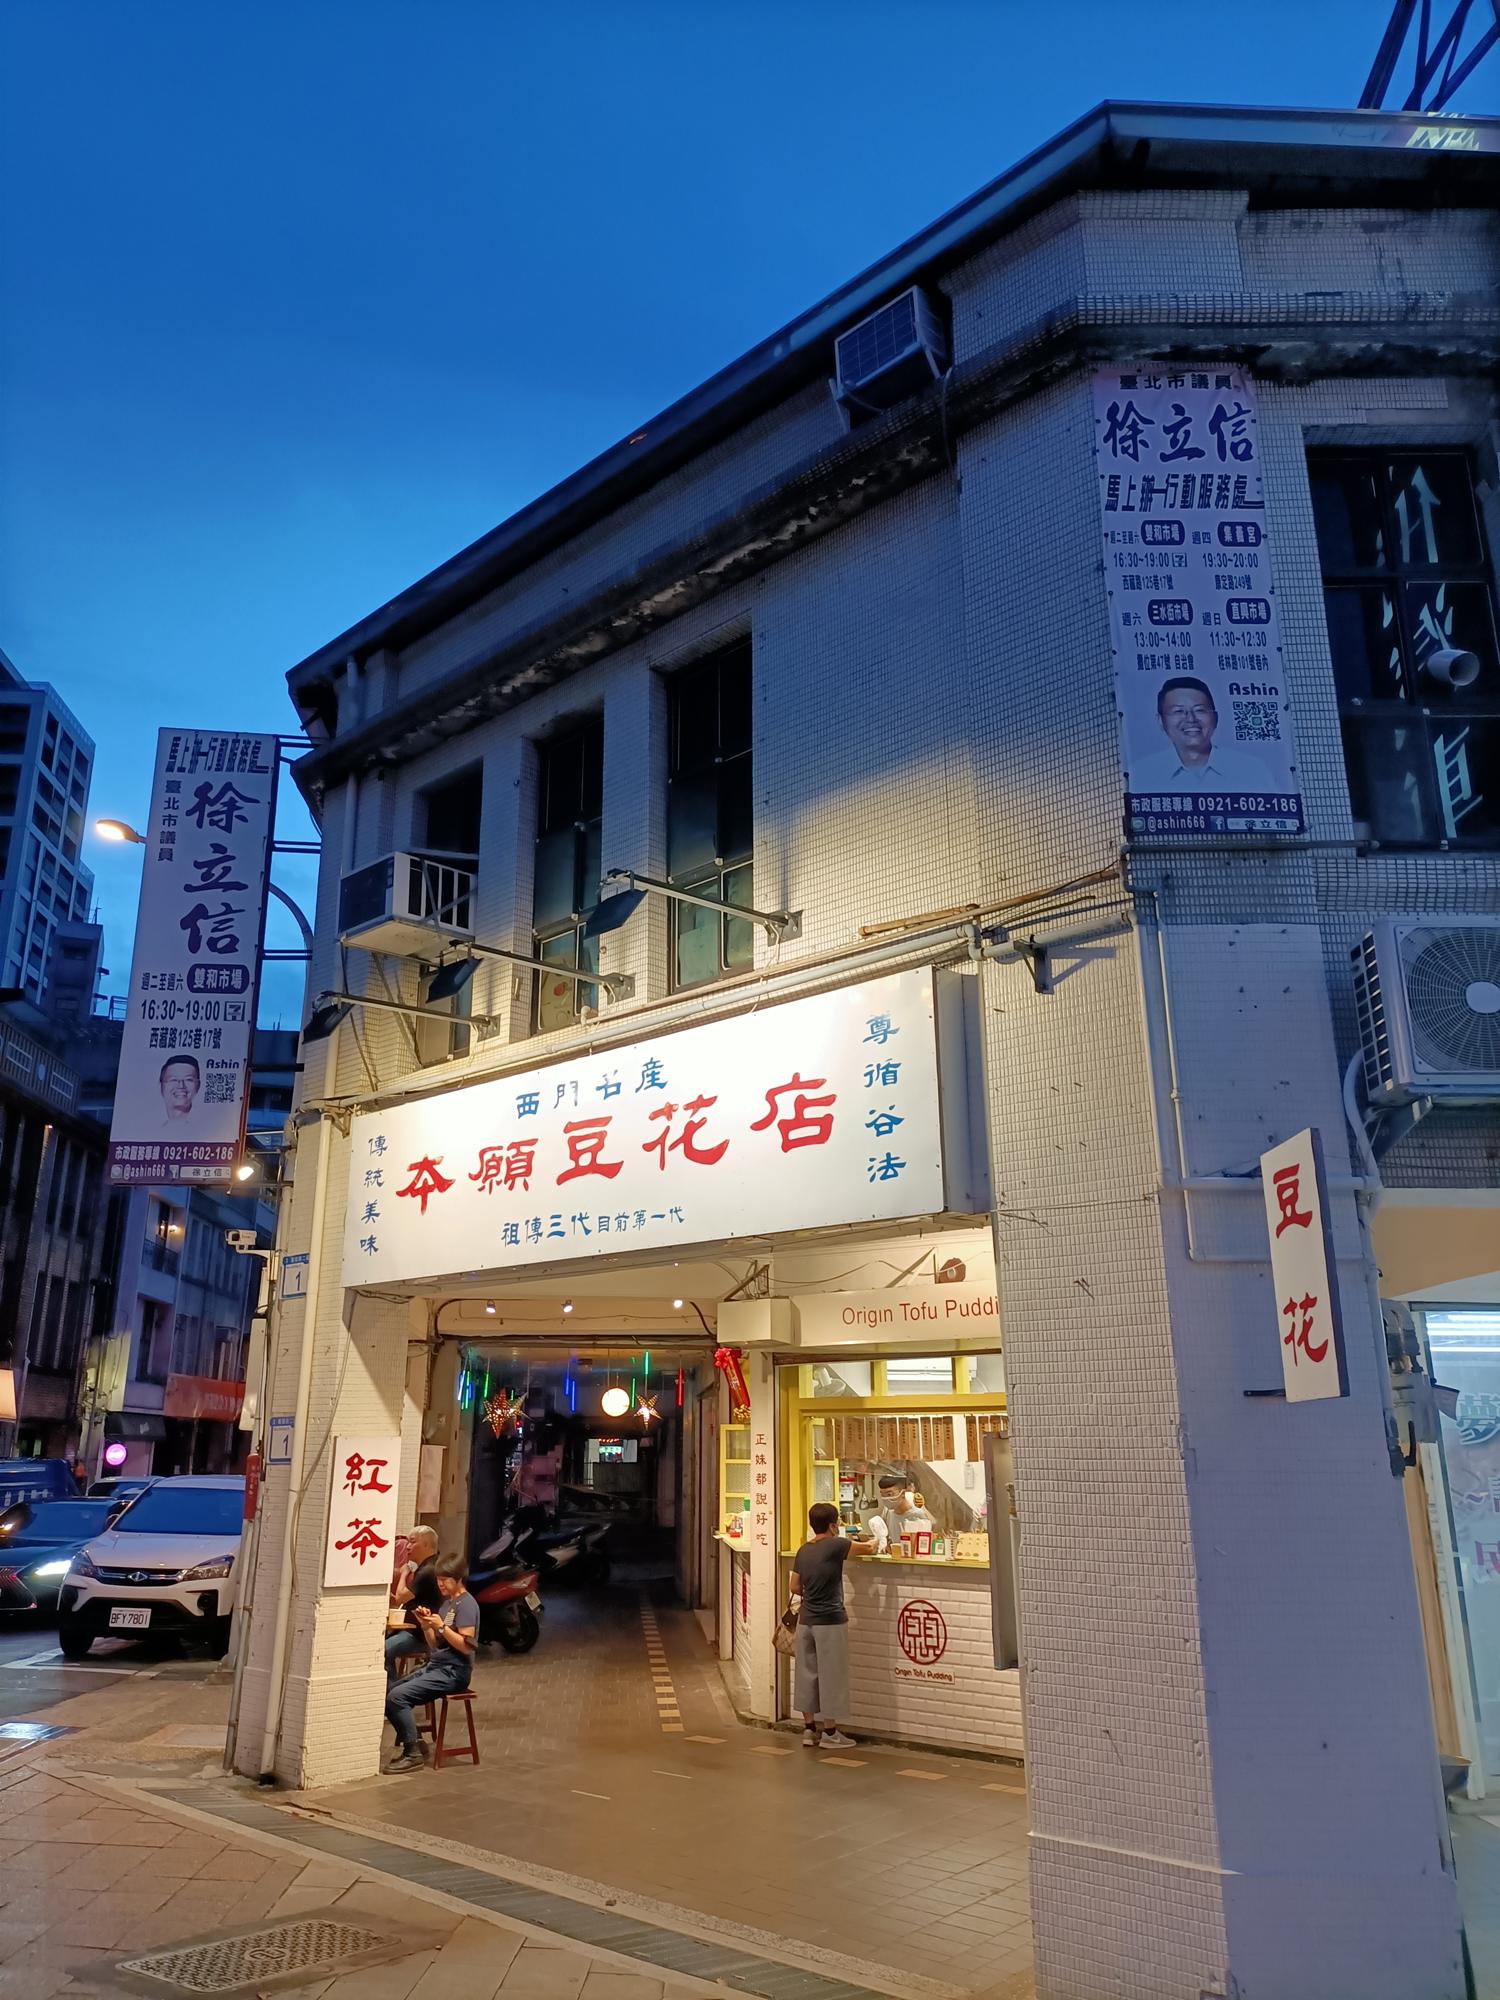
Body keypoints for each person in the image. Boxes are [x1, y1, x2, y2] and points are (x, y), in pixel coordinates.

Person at [791, 1502, 876, 1750]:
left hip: (805, 1621)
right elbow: (868, 1549)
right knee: (831, 1675)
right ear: (832, 1525)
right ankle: (830, 1733)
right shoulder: (836, 1544)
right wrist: (878, 1537)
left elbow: (794, 1586)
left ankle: (809, 1730)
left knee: (806, 1674)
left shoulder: (804, 1549)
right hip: (829, 1621)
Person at [383, 1554, 479, 1773]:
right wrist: (426, 1625)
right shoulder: (447, 1604)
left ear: (458, 1578)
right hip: (437, 1665)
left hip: (454, 1672)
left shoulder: (467, 1605)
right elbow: (435, 1645)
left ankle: (412, 1754)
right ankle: (415, 1741)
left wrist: (441, 1627)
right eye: (438, 1579)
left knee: (397, 1698)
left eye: (445, 1580)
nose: (440, 1584)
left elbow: (466, 1646)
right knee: (389, 1693)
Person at [1131, 676, 1276, 794]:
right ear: (1161, 721)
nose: (1190, 719)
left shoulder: (1252, 769)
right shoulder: (1141, 774)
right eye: (1178, 711)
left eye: (1199, 710)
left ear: (1215, 718)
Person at [385, 1525, 441, 1677]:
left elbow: (401, 1597)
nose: (407, 1547)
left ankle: (393, 1689)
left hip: (419, 1635)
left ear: (426, 1544)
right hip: (414, 1630)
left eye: (412, 1542)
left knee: (383, 1651)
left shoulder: (428, 1570)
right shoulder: (429, 1566)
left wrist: (404, 1573)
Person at [874, 1472, 934, 1550]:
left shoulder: (917, 1515)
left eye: (889, 1494)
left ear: (902, 1493)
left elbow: (923, 1548)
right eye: (882, 1495)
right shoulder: (889, 1513)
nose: (885, 1498)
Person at [157, 1055, 201, 1129]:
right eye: (173, 1079)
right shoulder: (153, 1125)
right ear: (161, 1086)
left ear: (198, 1085)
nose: (181, 1086)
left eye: (188, 1079)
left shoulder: (208, 1125)